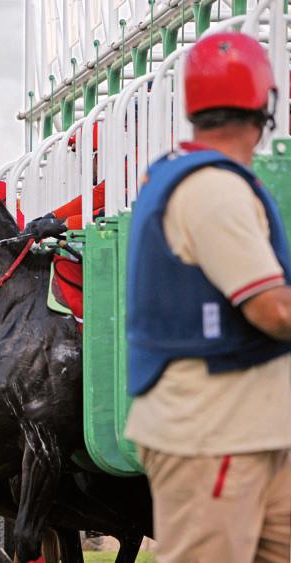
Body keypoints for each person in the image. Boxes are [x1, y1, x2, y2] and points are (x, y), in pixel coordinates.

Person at [125, 32, 291, 563]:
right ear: (265, 102)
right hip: (216, 435)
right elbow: (275, 309)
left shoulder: (188, 175)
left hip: (248, 428)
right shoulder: (215, 189)